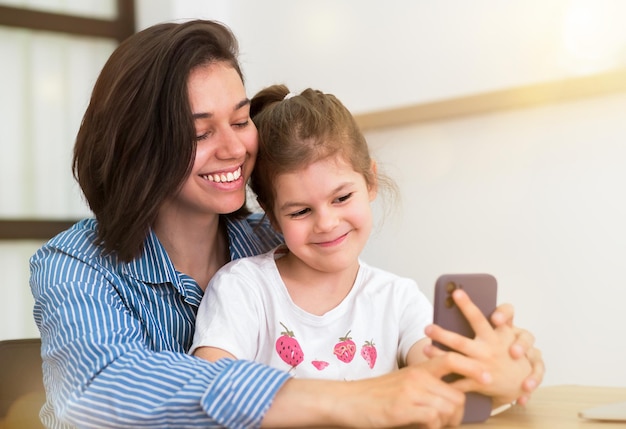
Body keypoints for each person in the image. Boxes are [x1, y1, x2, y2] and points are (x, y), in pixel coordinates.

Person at [29, 19, 543, 429]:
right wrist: (347, 401)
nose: (234, 148)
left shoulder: (278, 237)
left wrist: (497, 363)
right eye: (200, 132)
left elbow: (379, 334)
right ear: (138, 145)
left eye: (239, 120)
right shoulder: (73, 266)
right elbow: (101, 392)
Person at [191, 84, 533, 407]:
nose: (325, 223)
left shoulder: (397, 300)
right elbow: (209, 389)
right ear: (273, 216)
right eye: (300, 211)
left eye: (341, 197)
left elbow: (447, 381)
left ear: (370, 180)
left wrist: (502, 369)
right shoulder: (243, 288)